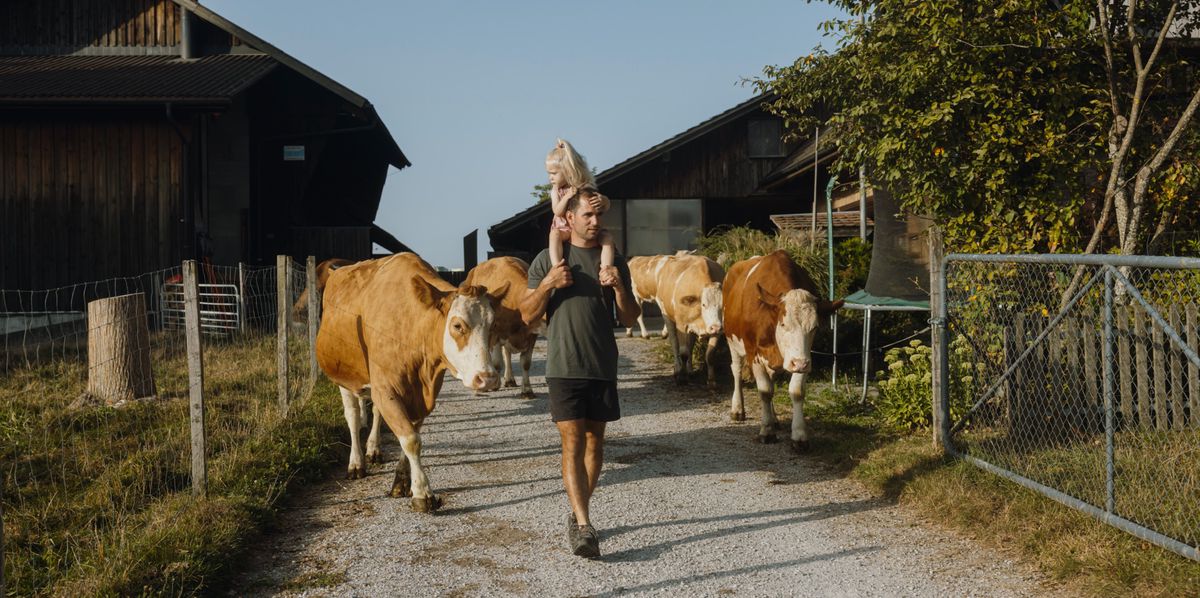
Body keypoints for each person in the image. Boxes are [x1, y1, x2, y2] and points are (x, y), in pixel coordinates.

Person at [520, 189, 641, 558]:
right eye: (587, 215)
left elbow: (632, 317)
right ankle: (585, 526)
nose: (595, 221)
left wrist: (618, 285)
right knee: (572, 442)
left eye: (597, 216)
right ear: (568, 218)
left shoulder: (613, 259)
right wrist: (547, 284)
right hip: (564, 366)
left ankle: (576, 512)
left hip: (602, 363)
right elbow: (526, 315)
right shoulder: (548, 259)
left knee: (595, 444)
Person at [545, 139, 615, 278]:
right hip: (564, 229)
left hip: (582, 231)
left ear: (567, 171)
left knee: (607, 238)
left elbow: (604, 206)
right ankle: (557, 267)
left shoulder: (582, 187)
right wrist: (566, 197)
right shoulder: (556, 191)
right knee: (554, 235)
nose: (550, 178)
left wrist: (604, 201)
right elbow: (557, 212)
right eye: (549, 173)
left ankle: (606, 269)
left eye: (554, 173)